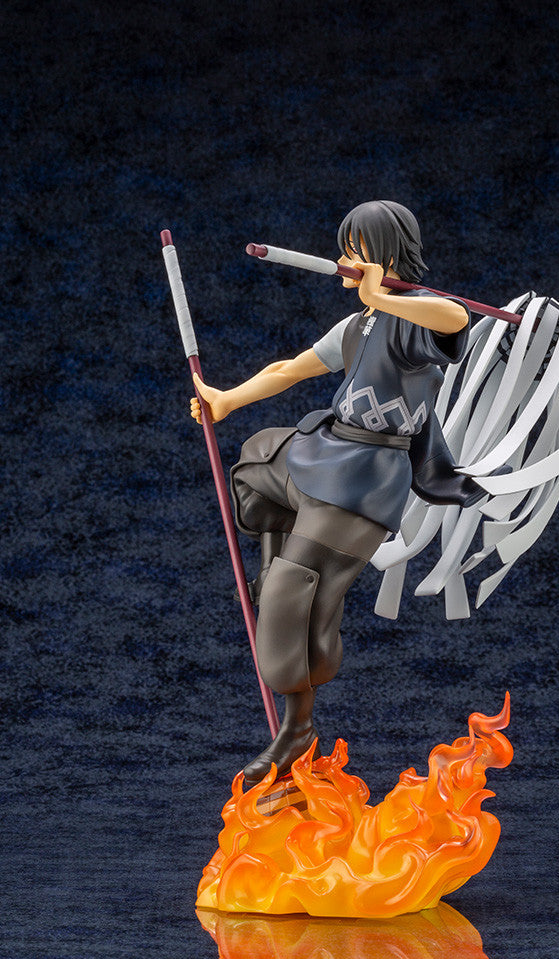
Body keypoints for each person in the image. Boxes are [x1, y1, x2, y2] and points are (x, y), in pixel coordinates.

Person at [190, 200, 483, 786]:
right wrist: (226, 400)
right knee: (256, 462)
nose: (345, 260)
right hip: (324, 451)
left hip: (364, 480)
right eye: (344, 249)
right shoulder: (358, 325)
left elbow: (455, 318)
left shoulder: (412, 320)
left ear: (386, 256)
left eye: (357, 249)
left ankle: (297, 729)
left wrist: (384, 296)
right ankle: (279, 572)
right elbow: (291, 368)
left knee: (296, 612)